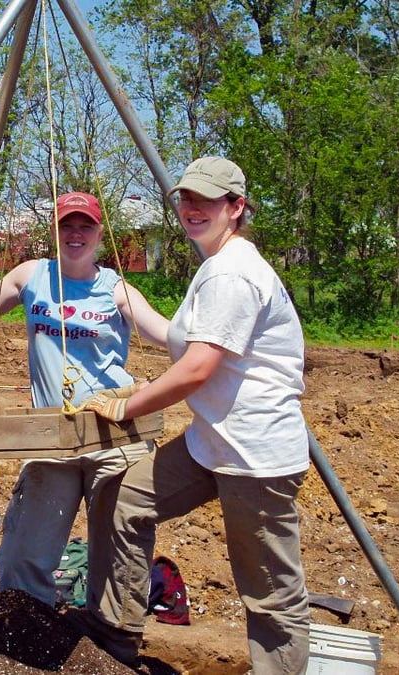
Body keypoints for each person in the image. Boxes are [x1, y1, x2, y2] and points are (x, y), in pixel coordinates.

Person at [80, 157, 311, 673]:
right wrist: (132, 317)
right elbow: (190, 348)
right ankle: (115, 632)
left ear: (236, 207)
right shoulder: (216, 265)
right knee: (126, 496)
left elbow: (197, 369)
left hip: (255, 458)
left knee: (268, 589)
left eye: (205, 201)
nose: (191, 209)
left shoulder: (233, 273)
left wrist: (127, 405)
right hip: (212, 444)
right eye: (186, 199)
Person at [0, 191, 169, 610]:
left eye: (85, 226)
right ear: (55, 230)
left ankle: (112, 636)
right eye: (67, 225)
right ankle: (21, 627)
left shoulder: (116, 288)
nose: (75, 234)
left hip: (113, 434)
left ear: (99, 233)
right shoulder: (32, 276)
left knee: (120, 549)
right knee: (25, 550)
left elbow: (164, 334)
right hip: (52, 437)